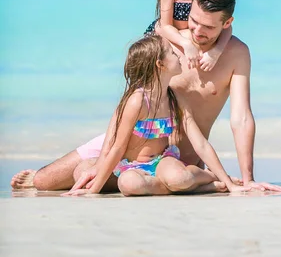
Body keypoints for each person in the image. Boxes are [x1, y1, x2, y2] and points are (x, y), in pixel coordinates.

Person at [11, 0, 281, 194]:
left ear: (227, 24)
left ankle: (199, 182)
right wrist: (104, 159)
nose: (196, 31)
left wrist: (248, 178)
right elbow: (127, 108)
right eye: (193, 20)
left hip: (174, 159)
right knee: (45, 181)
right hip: (131, 144)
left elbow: (241, 118)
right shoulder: (168, 44)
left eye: (207, 27)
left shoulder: (238, 54)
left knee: (155, 180)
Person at [62, 34, 247, 196]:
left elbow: (201, 144)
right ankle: (201, 188)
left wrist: (230, 184)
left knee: (179, 178)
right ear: (160, 64)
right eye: (173, 53)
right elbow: (117, 148)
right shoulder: (137, 101)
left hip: (162, 162)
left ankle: (211, 178)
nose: (179, 55)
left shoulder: (174, 98)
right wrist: (93, 190)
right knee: (127, 183)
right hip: (129, 166)